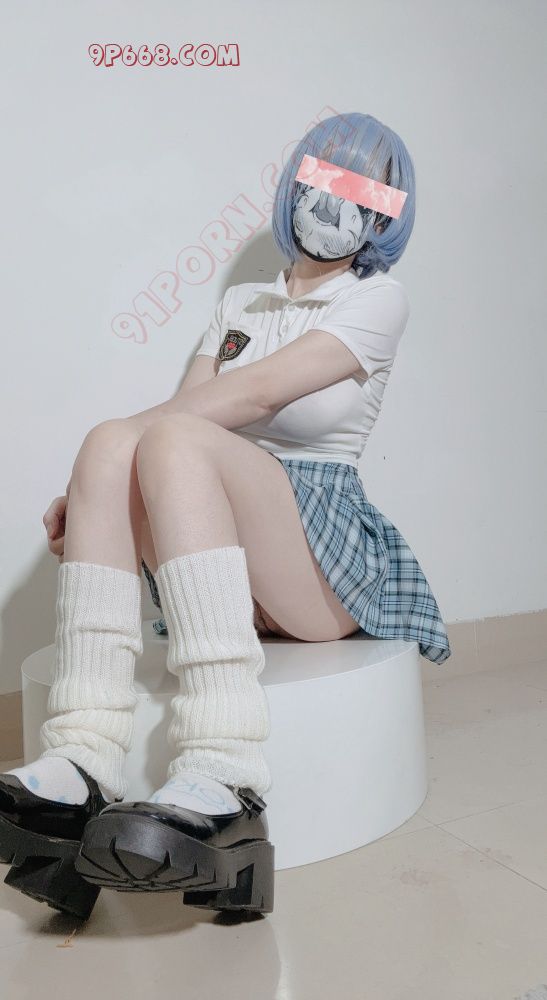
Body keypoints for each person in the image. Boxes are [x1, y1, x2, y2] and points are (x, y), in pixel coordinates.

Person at [0, 111, 450, 920]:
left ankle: (223, 768)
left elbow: (253, 395)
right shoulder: (241, 302)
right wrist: (97, 474)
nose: (335, 203)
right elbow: (186, 410)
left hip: (316, 550)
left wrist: (110, 463)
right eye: (322, 179)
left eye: (364, 192)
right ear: (293, 183)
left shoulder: (377, 299)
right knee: (115, 440)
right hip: (217, 536)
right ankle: (81, 757)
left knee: (163, 437)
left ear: (388, 214)